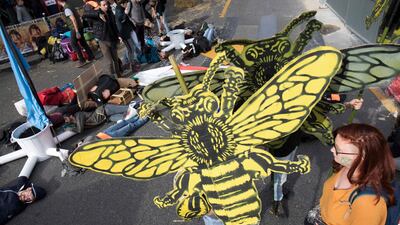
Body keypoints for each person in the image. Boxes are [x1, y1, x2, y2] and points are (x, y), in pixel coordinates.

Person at [269, 98, 364, 217]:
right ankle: (276, 201)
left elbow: (323, 107)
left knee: (282, 172)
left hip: (292, 142)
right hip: (281, 147)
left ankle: (277, 191)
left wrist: (348, 105)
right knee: (280, 177)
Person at [306, 123, 396, 225]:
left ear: (362, 157)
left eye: (338, 149)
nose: (332, 150)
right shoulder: (346, 165)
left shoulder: (368, 205)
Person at [83, 0, 122, 77]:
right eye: (104, 5)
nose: (106, 6)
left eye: (107, 4)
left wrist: (118, 36)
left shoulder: (110, 13)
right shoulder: (96, 13)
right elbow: (85, 15)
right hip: (103, 40)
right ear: (100, 6)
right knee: (109, 62)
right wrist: (98, 14)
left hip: (112, 39)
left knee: (116, 60)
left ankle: (119, 76)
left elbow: (114, 25)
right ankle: (112, 78)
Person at [57, 0, 95, 68]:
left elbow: (73, 19)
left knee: (73, 43)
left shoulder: (67, 8)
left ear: (59, 1)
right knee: (83, 42)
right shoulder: (70, 5)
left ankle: (82, 60)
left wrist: (77, 31)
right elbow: (78, 16)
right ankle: (91, 56)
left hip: (75, 28)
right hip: (79, 26)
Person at [115, 0, 140, 73]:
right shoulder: (119, 10)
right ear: (123, 4)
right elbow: (122, 19)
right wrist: (125, 13)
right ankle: (132, 65)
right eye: (126, 3)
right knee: (131, 49)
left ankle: (131, 64)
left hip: (127, 32)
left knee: (131, 49)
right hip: (124, 34)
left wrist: (134, 28)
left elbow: (127, 21)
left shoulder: (121, 9)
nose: (127, 5)